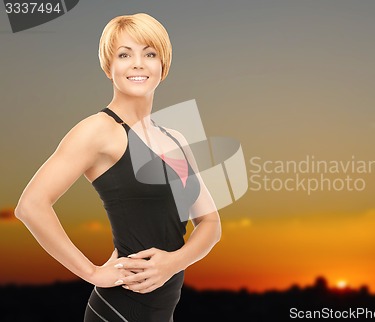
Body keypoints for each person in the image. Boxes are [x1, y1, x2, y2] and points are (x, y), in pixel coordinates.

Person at [15, 13, 221, 322]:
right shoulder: (98, 130)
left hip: (162, 310)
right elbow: (30, 206)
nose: (138, 63)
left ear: (163, 66)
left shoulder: (175, 137)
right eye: (125, 54)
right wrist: (92, 272)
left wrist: (172, 263)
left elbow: (210, 223)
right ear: (109, 67)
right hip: (118, 310)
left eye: (149, 54)